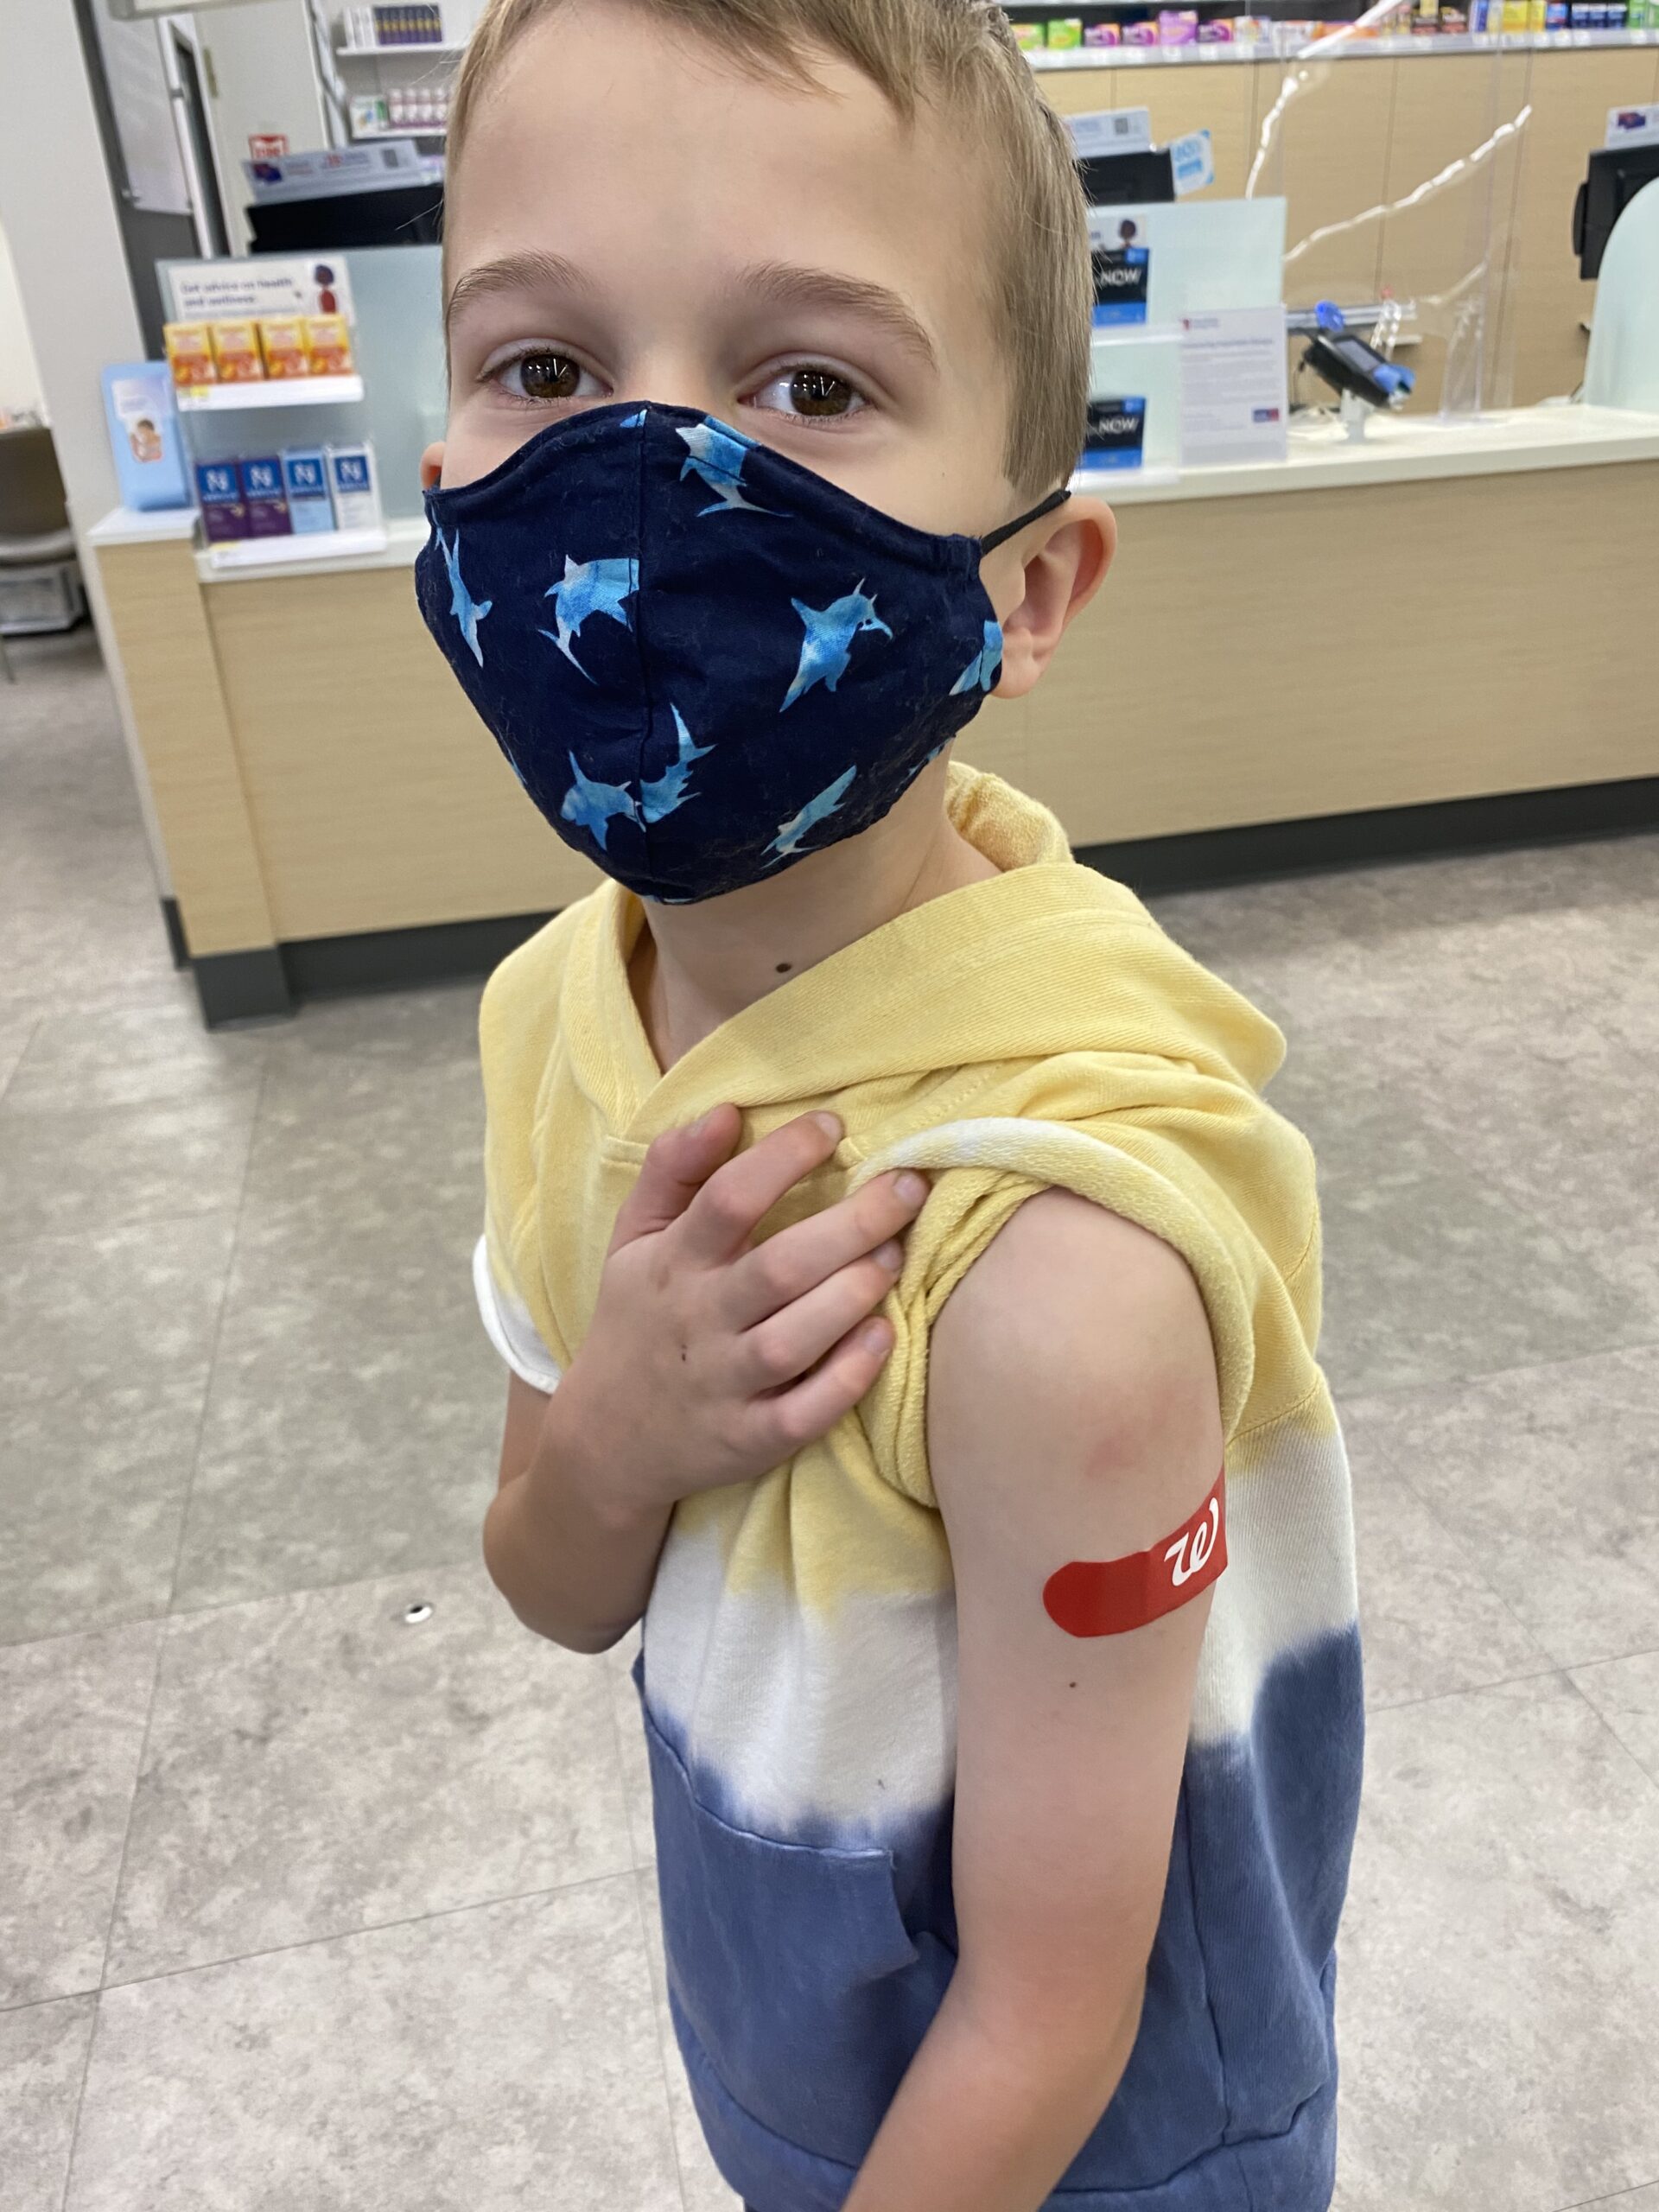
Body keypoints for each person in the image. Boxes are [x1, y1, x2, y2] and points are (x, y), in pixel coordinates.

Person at [414, 3, 1363, 2209]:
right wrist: (623, 1432)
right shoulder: (561, 1014)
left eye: (809, 384)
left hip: (1113, 2149)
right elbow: (554, 1577)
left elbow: (1056, 1998)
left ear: (1028, 586)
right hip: (800, 2050)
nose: (642, 479)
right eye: (545, 368)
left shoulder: (1062, 1283)